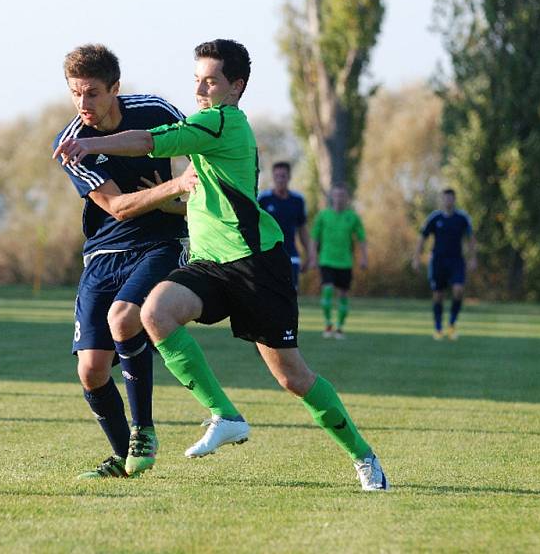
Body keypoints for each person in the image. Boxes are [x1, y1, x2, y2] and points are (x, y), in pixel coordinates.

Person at [56, 39, 389, 491]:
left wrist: (91, 142)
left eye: (211, 81)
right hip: (209, 262)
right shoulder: (202, 124)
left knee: (293, 377)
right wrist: (173, 198)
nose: (200, 89)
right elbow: (190, 192)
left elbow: (146, 141)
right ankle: (224, 415)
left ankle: (364, 458)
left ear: (237, 86)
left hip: (255, 263)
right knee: (154, 313)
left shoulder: (221, 123)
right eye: (196, 80)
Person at [53, 43, 196, 480]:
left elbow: (199, 158)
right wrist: (169, 191)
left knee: (124, 317)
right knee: (91, 370)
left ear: (115, 88)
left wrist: (183, 197)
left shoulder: (154, 109)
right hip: (103, 253)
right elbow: (116, 206)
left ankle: (144, 431)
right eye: (76, 93)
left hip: (160, 243)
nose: (84, 104)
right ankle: (125, 460)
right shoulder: (71, 144)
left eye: (93, 93)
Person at [412, 188, 477, 340]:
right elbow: (422, 238)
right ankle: (438, 327)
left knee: (458, 290)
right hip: (438, 261)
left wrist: (473, 258)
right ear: (442, 200)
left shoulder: (462, 218)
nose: (448, 201)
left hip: (456, 261)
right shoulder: (434, 218)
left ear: (454, 200)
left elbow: (471, 238)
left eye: (450, 198)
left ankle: (452, 324)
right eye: (445, 198)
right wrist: (416, 257)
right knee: (438, 295)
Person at [308, 184, 367, 339]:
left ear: (346, 198)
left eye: (342, 196)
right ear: (331, 197)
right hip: (326, 259)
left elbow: (361, 239)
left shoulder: (353, 217)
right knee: (327, 289)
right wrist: (313, 257)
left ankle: (340, 328)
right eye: (336, 195)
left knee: (343, 294)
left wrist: (364, 257)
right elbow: (314, 238)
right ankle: (328, 323)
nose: (339, 198)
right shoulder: (323, 215)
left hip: (345, 262)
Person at [257, 162, 309, 289]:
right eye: (277, 176)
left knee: (291, 292)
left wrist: (310, 254)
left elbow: (302, 229)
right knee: (270, 292)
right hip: (268, 253)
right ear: (273, 177)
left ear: (289, 177)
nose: (280, 179)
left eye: (283, 176)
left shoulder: (298, 200)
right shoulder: (263, 199)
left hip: (291, 253)